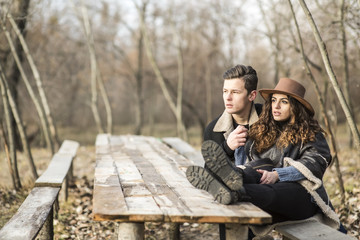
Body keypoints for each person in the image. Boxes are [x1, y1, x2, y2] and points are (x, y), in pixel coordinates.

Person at [187, 78, 343, 234]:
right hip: (265, 196)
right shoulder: (266, 129)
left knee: (276, 187)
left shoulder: (310, 133)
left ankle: (232, 189)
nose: (276, 106)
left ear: (295, 107)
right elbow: (252, 162)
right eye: (274, 100)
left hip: (302, 198)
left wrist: (277, 174)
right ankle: (229, 180)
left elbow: (314, 164)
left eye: (284, 102)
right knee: (258, 167)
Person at [201, 64, 262, 239]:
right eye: (225, 91)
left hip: (267, 187)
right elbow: (208, 172)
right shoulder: (213, 129)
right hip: (234, 196)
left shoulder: (268, 118)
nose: (227, 98)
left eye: (235, 92)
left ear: (252, 95)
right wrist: (227, 148)